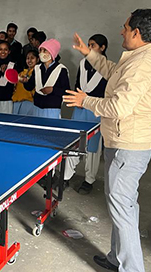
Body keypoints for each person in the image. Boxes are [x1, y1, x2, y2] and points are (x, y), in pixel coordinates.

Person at [64, 9, 151, 272]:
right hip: (120, 141)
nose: (121, 31)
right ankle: (116, 257)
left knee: (122, 209)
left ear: (137, 33)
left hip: (129, 145)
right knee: (124, 205)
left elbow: (118, 107)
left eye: (125, 28)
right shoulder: (136, 57)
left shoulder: (143, 64)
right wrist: (89, 54)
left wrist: (85, 101)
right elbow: (111, 72)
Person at [63, 34, 109, 193]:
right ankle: (66, 177)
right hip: (79, 109)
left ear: (102, 48)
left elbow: (106, 93)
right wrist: (79, 99)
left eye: (93, 45)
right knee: (74, 144)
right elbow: (77, 85)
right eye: (88, 45)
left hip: (95, 112)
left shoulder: (107, 68)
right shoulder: (83, 63)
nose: (89, 48)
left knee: (93, 148)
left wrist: (88, 100)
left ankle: (89, 180)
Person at [23, 38, 69, 118]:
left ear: (52, 53)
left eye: (45, 51)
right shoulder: (37, 68)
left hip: (52, 108)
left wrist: (53, 90)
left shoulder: (61, 70)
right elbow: (30, 87)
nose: (41, 53)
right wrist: (25, 82)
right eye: (40, 51)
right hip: (37, 107)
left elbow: (66, 91)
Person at [12, 50, 38, 115]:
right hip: (17, 102)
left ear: (37, 60)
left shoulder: (38, 72)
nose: (29, 61)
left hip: (29, 103)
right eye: (27, 58)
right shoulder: (21, 73)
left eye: (32, 58)